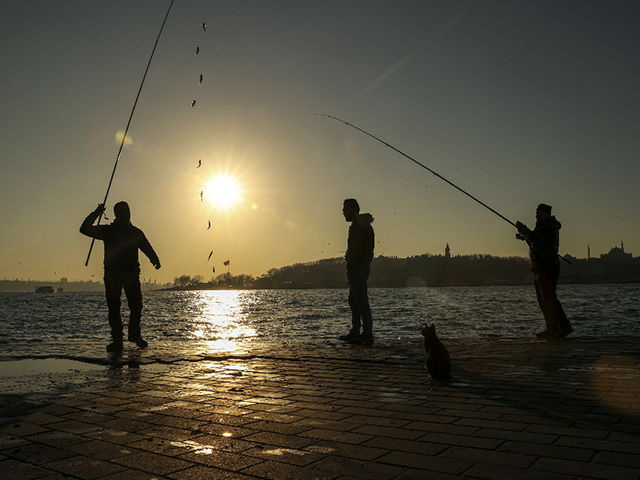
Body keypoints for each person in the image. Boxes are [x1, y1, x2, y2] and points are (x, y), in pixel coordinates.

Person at [80, 202, 161, 352]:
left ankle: (134, 336)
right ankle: (117, 340)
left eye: (128, 211)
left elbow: (146, 247)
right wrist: (97, 212)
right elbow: (84, 229)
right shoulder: (108, 230)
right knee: (114, 307)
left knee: (136, 306)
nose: (126, 213)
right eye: (123, 211)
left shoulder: (136, 232)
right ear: (116, 213)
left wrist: (154, 259)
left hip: (131, 274)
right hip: (113, 275)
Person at [516, 203, 572, 339]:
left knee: (549, 298)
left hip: (548, 266)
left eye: (539, 214)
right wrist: (525, 237)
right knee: (543, 300)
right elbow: (535, 242)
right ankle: (551, 327)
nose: (536, 216)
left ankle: (564, 326)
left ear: (547, 213)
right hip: (538, 267)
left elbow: (535, 237)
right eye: (536, 214)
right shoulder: (543, 227)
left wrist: (523, 229)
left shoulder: (549, 227)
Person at [339, 198, 375, 345]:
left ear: (353, 209)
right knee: (354, 301)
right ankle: (356, 332)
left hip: (358, 267)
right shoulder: (360, 225)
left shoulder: (359, 226)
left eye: (345, 208)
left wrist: (350, 260)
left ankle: (366, 334)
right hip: (358, 266)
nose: (343, 211)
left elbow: (357, 248)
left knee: (360, 301)